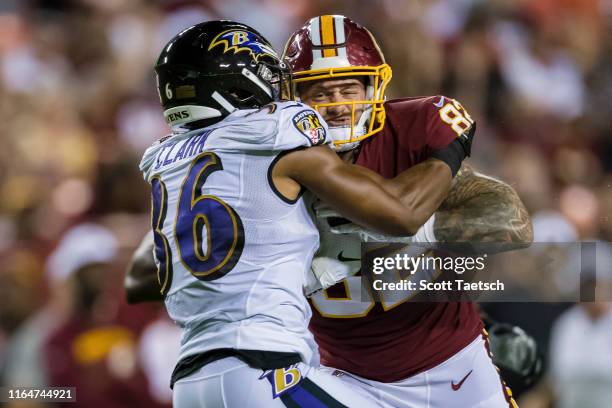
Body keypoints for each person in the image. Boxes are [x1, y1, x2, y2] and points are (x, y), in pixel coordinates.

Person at [136, 20, 473, 407]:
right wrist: (449, 150)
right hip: (263, 370)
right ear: (236, 83)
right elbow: (402, 213)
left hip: (190, 381)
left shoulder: (163, 159)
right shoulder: (275, 131)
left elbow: (141, 276)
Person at [283, 15, 534, 408]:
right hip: (347, 380)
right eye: (320, 93)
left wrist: (406, 232)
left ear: (373, 87)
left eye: (348, 89)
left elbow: (512, 223)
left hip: (456, 363)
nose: (336, 106)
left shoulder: (410, 134)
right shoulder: (274, 168)